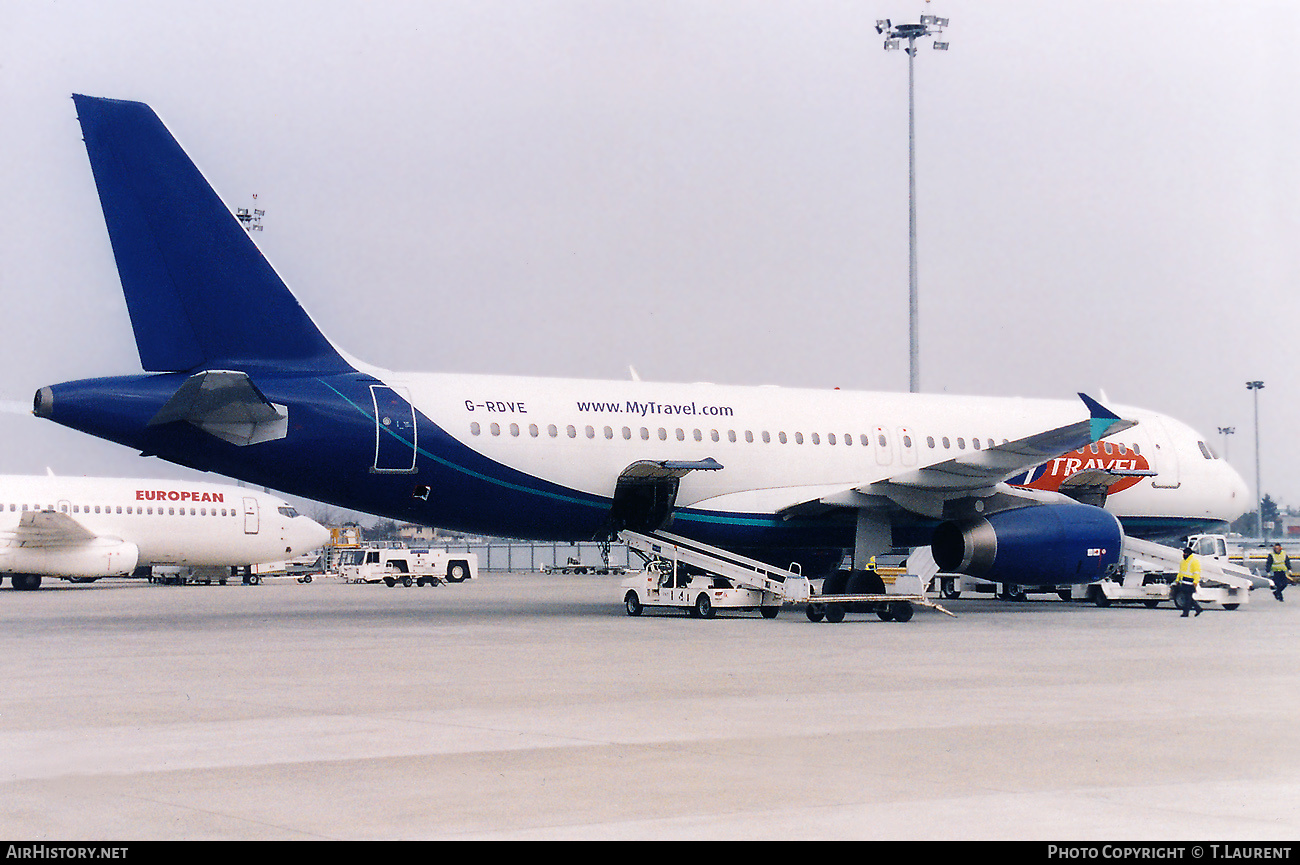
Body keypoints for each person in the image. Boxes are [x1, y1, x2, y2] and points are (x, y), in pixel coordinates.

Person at [1175, 543, 1202, 618]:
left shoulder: (1194, 561)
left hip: (1190, 582)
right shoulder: (1183, 561)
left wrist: (1196, 582)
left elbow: (1197, 572)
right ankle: (1198, 609)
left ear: (1189, 554)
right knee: (1188, 597)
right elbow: (1180, 572)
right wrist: (1177, 580)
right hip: (1184, 582)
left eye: (1185, 553)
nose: (1184, 554)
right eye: (1184, 553)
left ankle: (1186, 613)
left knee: (1187, 598)